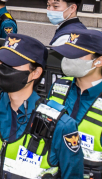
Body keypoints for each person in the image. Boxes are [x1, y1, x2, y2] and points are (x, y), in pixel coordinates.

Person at [0, 34, 83, 178]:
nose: (2, 67)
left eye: (12, 63)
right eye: (1, 61)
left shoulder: (60, 125)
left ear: (35, 72)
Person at [48, 30, 102, 178]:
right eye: (67, 53)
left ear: (98, 61)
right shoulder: (58, 86)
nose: (68, 59)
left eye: (76, 54)